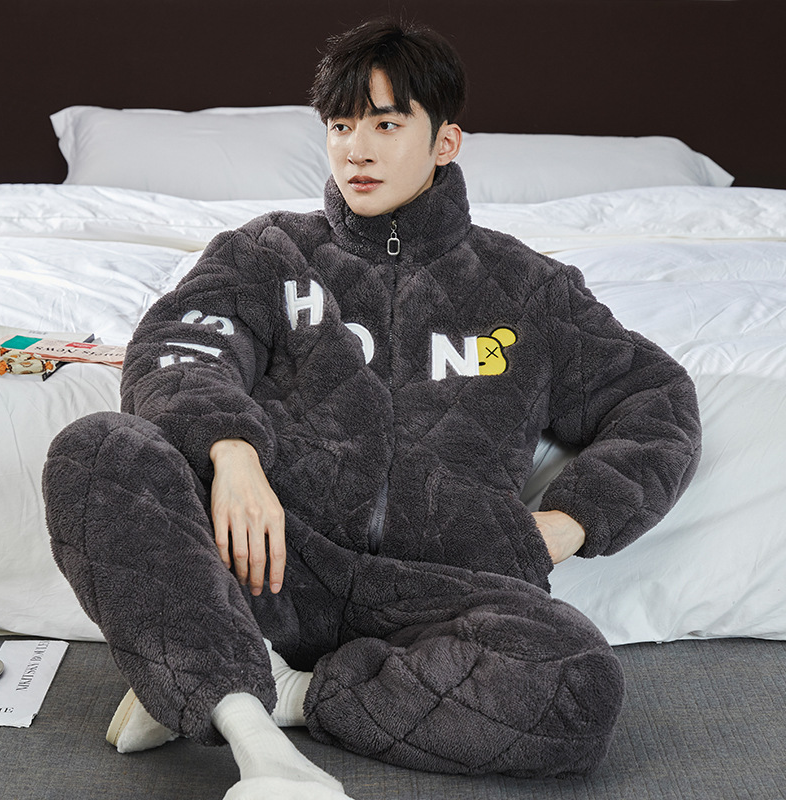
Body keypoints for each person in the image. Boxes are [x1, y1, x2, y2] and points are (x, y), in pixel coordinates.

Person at [43, 18, 701, 800]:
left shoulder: (529, 290)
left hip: (442, 589)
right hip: (270, 561)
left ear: (445, 142)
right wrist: (231, 450)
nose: (356, 149)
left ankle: (273, 691)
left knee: (578, 684)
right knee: (98, 448)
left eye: (386, 125)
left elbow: (658, 400)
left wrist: (570, 523)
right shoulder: (268, 253)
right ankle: (243, 716)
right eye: (340, 126)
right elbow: (177, 352)